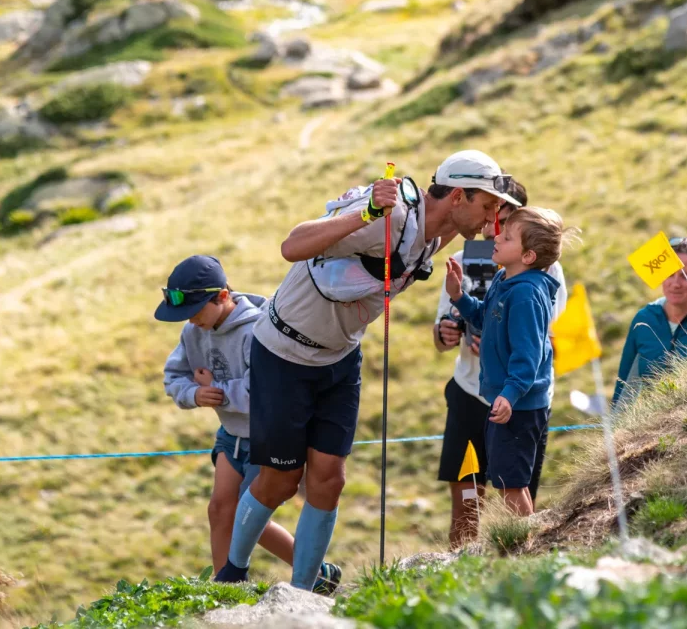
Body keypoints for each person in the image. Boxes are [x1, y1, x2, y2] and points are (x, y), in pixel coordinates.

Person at [214, 150, 520, 590]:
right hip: (284, 352)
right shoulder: (389, 215)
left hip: (340, 358)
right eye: (489, 205)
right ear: (457, 196)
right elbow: (292, 246)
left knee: (330, 480)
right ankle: (232, 574)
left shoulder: (445, 234)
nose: (494, 218)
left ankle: (304, 595)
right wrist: (368, 211)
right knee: (280, 481)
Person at [156, 255, 341, 592]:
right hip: (232, 435)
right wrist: (195, 394)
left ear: (223, 296)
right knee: (220, 508)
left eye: (196, 312)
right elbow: (174, 377)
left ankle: (316, 573)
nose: (191, 321)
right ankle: (224, 589)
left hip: (268, 435)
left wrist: (218, 392)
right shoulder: (192, 331)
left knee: (249, 511)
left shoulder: (258, 331)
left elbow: (268, 391)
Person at [433, 181, 567, 548]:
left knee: (512, 486)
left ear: (527, 255)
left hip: (516, 403)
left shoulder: (528, 290)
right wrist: (459, 298)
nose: (495, 235)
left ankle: (529, 551)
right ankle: (504, 553)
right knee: (488, 488)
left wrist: (509, 392)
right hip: (486, 397)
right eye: (496, 226)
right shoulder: (504, 280)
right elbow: (483, 316)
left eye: (506, 233)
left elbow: (532, 352)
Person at [612, 237, 687, 406]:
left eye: (686, 276)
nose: (675, 284)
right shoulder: (644, 320)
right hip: (650, 428)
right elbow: (623, 394)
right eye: (670, 274)